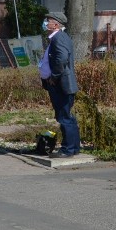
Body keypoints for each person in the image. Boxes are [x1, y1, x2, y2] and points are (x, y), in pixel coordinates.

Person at [38, 11, 80, 158]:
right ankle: (73, 148)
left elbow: (61, 59)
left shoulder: (59, 38)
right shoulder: (57, 38)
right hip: (60, 84)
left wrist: (53, 77)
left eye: (48, 20)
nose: (45, 22)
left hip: (61, 85)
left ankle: (68, 150)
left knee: (64, 117)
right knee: (67, 116)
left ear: (56, 24)